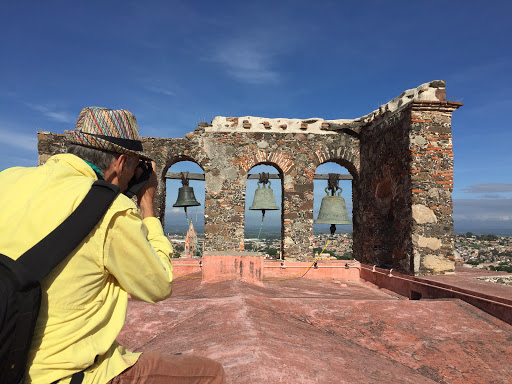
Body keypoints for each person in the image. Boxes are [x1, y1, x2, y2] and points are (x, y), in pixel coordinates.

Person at [0, 107, 225, 384]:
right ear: (121, 162)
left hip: (6, 358)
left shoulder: (7, 179)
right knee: (210, 374)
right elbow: (158, 285)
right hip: (67, 374)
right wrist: (146, 206)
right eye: (133, 166)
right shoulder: (111, 208)